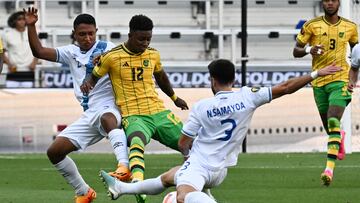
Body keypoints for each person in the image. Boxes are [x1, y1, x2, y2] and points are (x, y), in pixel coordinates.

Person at [98, 59, 341, 203]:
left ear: (213, 80)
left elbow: (183, 142)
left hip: (201, 164)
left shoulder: (203, 106)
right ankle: (122, 189)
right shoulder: (248, 97)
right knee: (168, 177)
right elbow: (286, 87)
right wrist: (316, 73)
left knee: (181, 195)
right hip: (221, 169)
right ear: (233, 79)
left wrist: (188, 158)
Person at [24, 7, 130, 203]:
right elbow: (38, 51)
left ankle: (123, 166)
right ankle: (84, 191)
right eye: (82, 34)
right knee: (54, 152)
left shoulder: (108, 48)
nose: (88, 38)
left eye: (91, 33)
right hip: (89, 114)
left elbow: (127, 66)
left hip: (110, 107)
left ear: (96, 31)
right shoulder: (70, 52)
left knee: (107, 118)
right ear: (75, 34)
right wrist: (31, 26)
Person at [81, 14, 189, 203]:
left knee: (191, 146)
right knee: (136, 142)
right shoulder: (112, 57)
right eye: (141, 39)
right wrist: (88, 82)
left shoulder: (153, 54)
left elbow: (161, 77)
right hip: (133, 114)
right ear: (130, 35)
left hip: (159, 112)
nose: (145, 43)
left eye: (148, 38)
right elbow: (95, 74)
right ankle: (139, 187)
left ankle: (195, 187)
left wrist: (174, 98)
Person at [293, 0, 358, 186]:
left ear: (338, 3)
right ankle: (340, 137)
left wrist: (353, 78)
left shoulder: (351, 27)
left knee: (332, 119)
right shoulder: (311, 25)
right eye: (327, 0)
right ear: (322, 3)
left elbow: (357, 55)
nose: (330, 3)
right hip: (319, 82)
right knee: (331, 129)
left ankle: (328, 170)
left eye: (334, 0)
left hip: (341, 80)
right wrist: (308, 49)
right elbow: (295, 51)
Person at [2, 11, 38, 87]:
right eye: (19, 19)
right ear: (14, 21)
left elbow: (38, 49)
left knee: (29, 97)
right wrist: (9, 64)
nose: (22, 21)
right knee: (11, 97)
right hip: (13, 71)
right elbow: (1, 52)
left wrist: (34, 63)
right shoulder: (7, 34)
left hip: (29, 70)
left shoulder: (33, 32)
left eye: (24, 19)